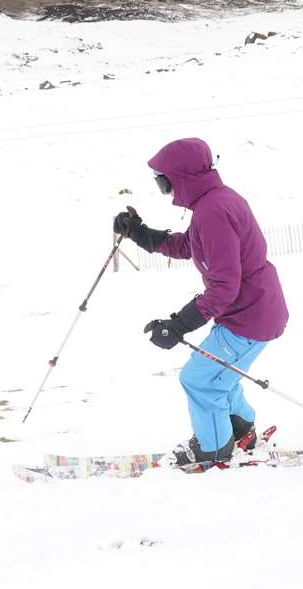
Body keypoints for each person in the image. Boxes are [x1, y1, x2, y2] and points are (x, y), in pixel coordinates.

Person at [113, 137, 288, 469]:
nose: (163, 189)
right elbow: (191, 246)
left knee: (199, 378)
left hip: (248, 316)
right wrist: (141, 234)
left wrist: (178, 325)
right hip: (256, 309)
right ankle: (240, 430)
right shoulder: (215, 202)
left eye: (162, 182)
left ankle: (213, 448)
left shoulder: (212, 211)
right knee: (219, 375)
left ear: (179, 177)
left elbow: (224, 286)